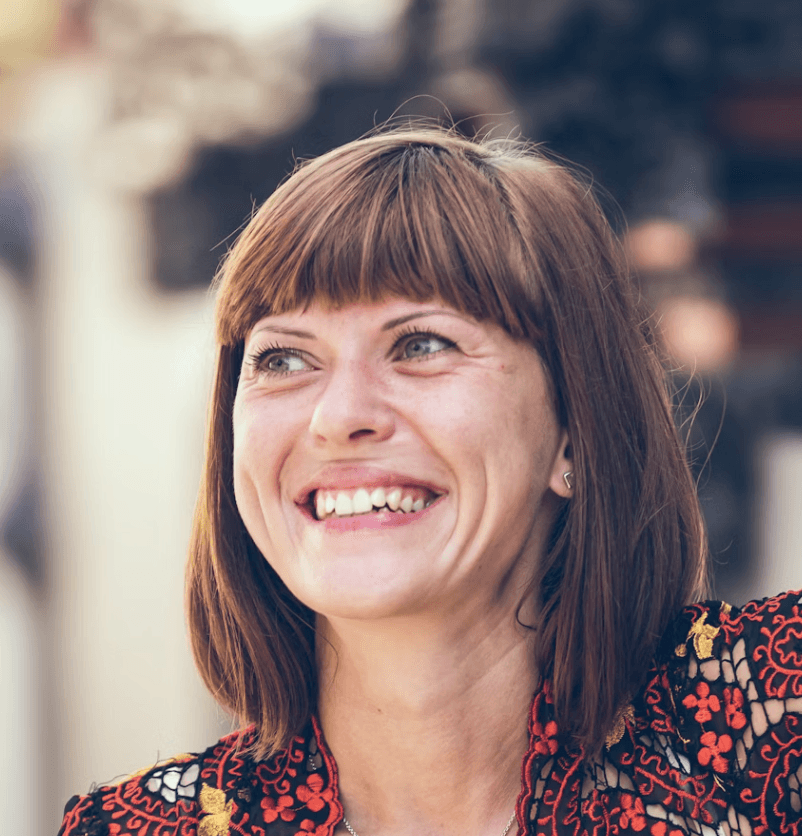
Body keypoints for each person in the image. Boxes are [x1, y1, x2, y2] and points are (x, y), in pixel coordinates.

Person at [58, 127, 802, 836]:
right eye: (283, 359)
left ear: (575, 425)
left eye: (421, 344)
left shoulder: (775, 719)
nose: (338, 417)